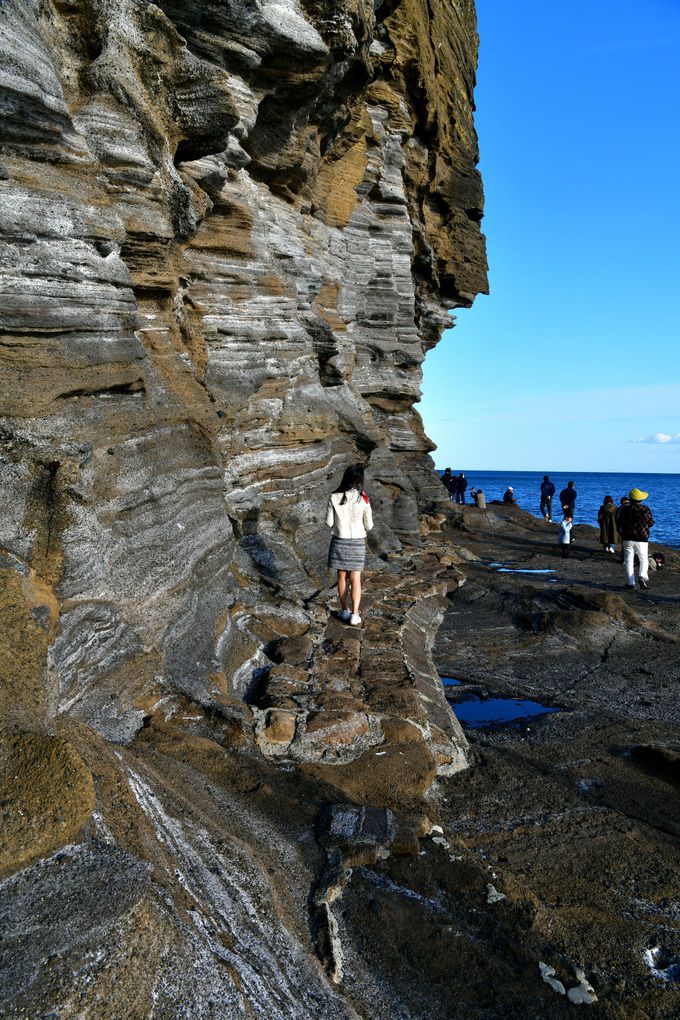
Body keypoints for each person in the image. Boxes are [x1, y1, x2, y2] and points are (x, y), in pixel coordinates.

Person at [325, 464, 374, 626]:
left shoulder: (334, 496)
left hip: (340, 540)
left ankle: (344, 609)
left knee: (341, 577)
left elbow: (329, 522)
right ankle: (355, 614)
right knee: (355, 578)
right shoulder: (363, 497)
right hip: (357, 541)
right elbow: (370, 525)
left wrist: (339, 526)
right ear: (360, 480)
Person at [617, 487, 654, 590]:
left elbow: (619, 522)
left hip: (627, 537)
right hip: (642, 538)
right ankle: (642, 576)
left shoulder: (625, 509)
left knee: (628, 559)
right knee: (643, 559)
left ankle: (630, 583)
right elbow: (650, 523)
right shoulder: (645, 508)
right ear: (640, 499)